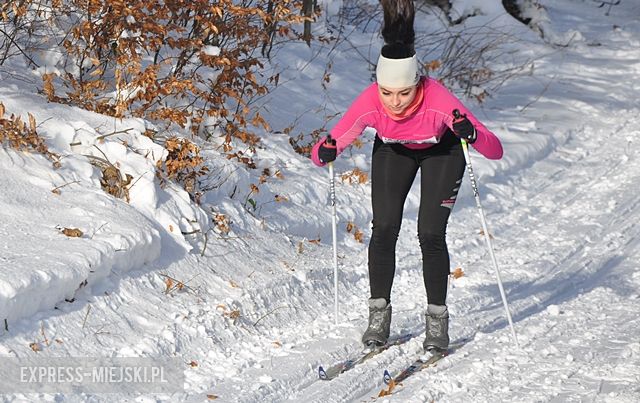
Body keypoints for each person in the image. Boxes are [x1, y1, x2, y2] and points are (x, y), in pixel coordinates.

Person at [310, 0, 503, 352]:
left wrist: (470, 134)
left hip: (441, 152)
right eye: (387, 93)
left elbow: (495, 148)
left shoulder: (439, 100)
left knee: (430, 233)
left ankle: (437, 321)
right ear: (378, 86)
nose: (395, 102)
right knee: (384, 229)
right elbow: (328, 147)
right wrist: (325, 151)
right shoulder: (370, 102)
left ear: (417, 84)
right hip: (394, 151)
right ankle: (379, 316)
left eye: (404, 93)